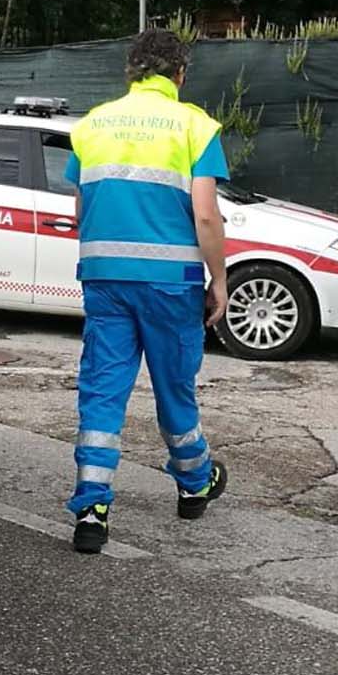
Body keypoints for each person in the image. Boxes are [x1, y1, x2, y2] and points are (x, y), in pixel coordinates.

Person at [61, 29, 231, 553]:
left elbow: (81, 211)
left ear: (130, 72)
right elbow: (205, 214)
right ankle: (195, 482)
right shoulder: (195, 127)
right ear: (180, 74)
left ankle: (92, 507)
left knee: (103, 389)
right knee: (173, 384)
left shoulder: (92, 126)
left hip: (105, 280)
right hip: (170, 284)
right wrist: (219, 280)